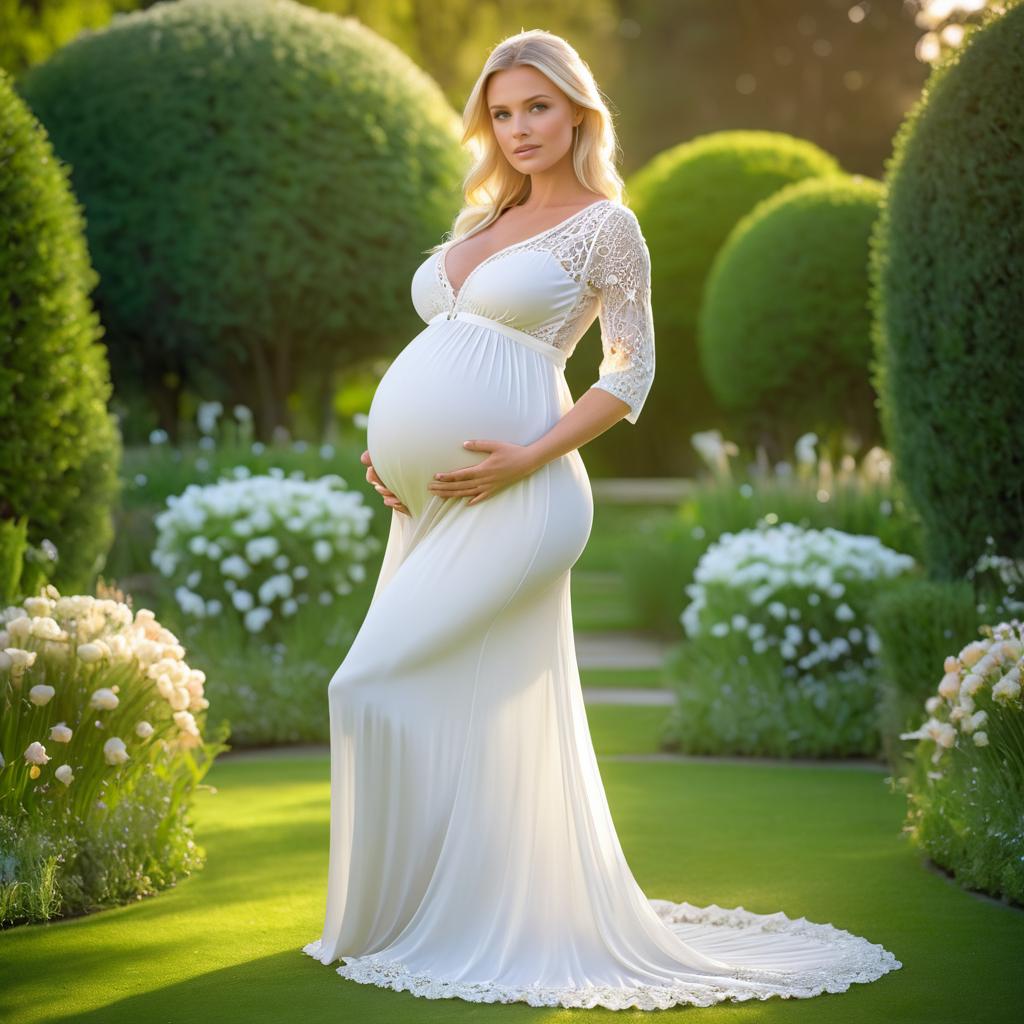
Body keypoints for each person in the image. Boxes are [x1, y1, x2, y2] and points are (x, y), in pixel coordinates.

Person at [302, 28, 902, 1010]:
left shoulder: (605, 226)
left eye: (537, 106)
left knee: (368, 682)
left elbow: (630, 372)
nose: (520, 126)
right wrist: (392, 451)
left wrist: (529, 454)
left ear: (579, 111)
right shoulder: (478, 218)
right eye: (502, 111)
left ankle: (448, 919)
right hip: (430, 508)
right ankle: (420, 917)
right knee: (448, 701)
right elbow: (445, 352)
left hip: (526, 496)